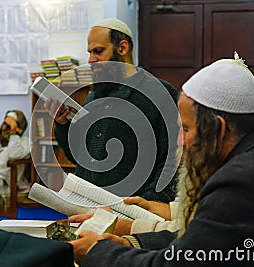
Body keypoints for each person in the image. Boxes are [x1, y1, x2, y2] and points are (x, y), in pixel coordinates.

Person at [69, 54, 254, 266]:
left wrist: (96, 252)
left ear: (219, 129)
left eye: (186, 129)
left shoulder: (241, 180)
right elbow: (204, 240)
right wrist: (131, 242)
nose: (181, 141)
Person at [69, 107, 254, 237]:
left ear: (219, 124)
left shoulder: (247, 167)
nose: (181, 141)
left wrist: (126, 236)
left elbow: (193, 246)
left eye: (187, 129)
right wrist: (161, 208)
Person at [44, 18, 180, 202]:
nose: (91, 60)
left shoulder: (160, 93)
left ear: (122, 48)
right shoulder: (95, 95)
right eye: (90, 52)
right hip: (87, 206)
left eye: (98, 51)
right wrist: (63, 125)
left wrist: (148, 203)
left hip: (132, 211)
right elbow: (81, 156)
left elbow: (172, 159)